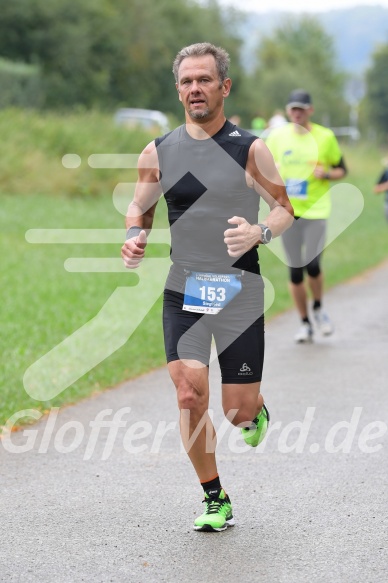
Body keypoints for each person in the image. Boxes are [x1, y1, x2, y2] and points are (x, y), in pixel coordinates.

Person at [121, 42, 293, 532]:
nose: (195, 88)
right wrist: (135, 238)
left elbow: (283, 208)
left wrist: (259, 232)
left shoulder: (249, 148)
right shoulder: (159, 151)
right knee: (188, 393)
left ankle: (253, 413)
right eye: (186, 81)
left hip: (238, 288)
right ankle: (215, 497)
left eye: (204, 79)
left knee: (236, 412)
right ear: (178, 90)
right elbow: (141, 209)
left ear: (224, 86)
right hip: (185, 288)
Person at [266, 89, 347, 343]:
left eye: (302, 108)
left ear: (310, 110)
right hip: (287, 213)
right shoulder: (277, 137)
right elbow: (261, 170)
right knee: (295, 270)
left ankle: (319, 308)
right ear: (288, 111)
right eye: (293, 109)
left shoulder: (326, 137)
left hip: (316, 211)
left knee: (312, 265)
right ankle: (304, 323)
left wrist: (327, 175)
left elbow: (342, 170)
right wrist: (272, 171)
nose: (297, 113)